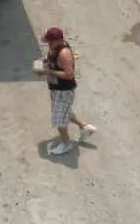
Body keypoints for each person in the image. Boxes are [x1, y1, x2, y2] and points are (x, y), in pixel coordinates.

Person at [35, 28, 96, 156]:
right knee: (64, 112)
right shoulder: (55, 47)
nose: (48, 44)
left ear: (58, 41)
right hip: (56, 89)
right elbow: (51, 56)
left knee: (59, 120)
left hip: (63, 91)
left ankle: (66, 143)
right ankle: (85, 127)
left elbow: (69, 74)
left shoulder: (64, 53)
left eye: (50, 42)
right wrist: (44, 62)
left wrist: (48, 72)